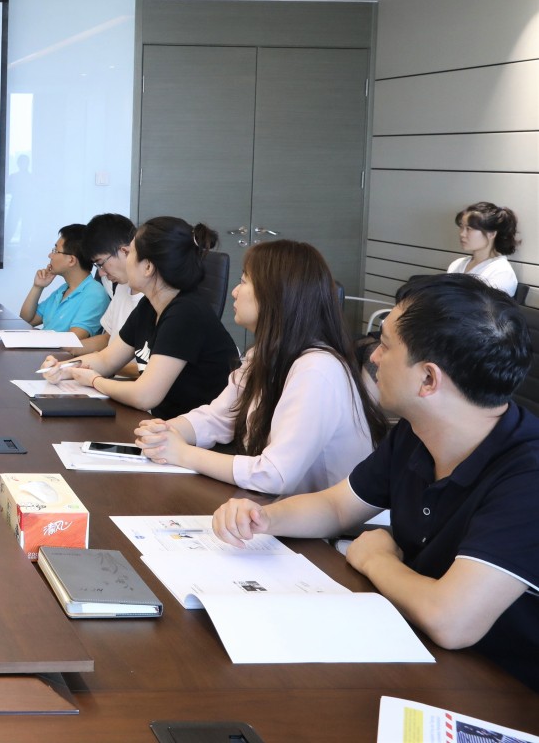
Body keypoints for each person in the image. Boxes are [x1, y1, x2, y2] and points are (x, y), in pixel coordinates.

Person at [213, 275, 537, 690]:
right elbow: (336, 507)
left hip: (500, 691)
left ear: (428, 380)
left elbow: (452, 620)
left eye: (385, 345)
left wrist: (375, 559)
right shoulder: (418, 432)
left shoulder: (527, 475)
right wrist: (264, 518)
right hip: (415, 650)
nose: (374, 358)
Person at [134, 240, 387, 495]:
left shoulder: (317, 370)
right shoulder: (264, 354)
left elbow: (273, 474)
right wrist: (166, 431)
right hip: (279, 505)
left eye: (244, 281)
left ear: (275, 294)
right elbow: (219, 417)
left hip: (320, 518)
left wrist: (183, 453)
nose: (234, 292)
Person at [46, 217, 239, 418]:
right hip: (163, 423)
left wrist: (94, 380)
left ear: (148, 267)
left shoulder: (186, 313)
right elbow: (107, 359)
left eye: (130, 252)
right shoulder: (149, 305)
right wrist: (64, 369)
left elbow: (144, 396)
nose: (125, 257)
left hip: (196, 430)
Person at [17, 224, 109, 339]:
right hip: (44, 347)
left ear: (71, 260)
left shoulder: (94, 294)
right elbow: (26, 321)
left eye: (55, 251)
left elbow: (72, 340)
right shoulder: (63, 290)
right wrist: (37, 287)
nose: (50, 255)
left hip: (57, 350)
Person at [77, 213, 145, 358]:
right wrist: (67, 349)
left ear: (125, 251)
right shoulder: (122, 286)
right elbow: (108, 338)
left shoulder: (154, 299)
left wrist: (97, 364)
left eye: (101, 263)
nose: (101, 273)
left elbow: (145, 366)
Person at [448, 201, 520, 296]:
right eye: (461, 227)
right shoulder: (457, 264)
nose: (462, 234)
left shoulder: (501, 273)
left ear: (491, 234)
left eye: (469, 229)